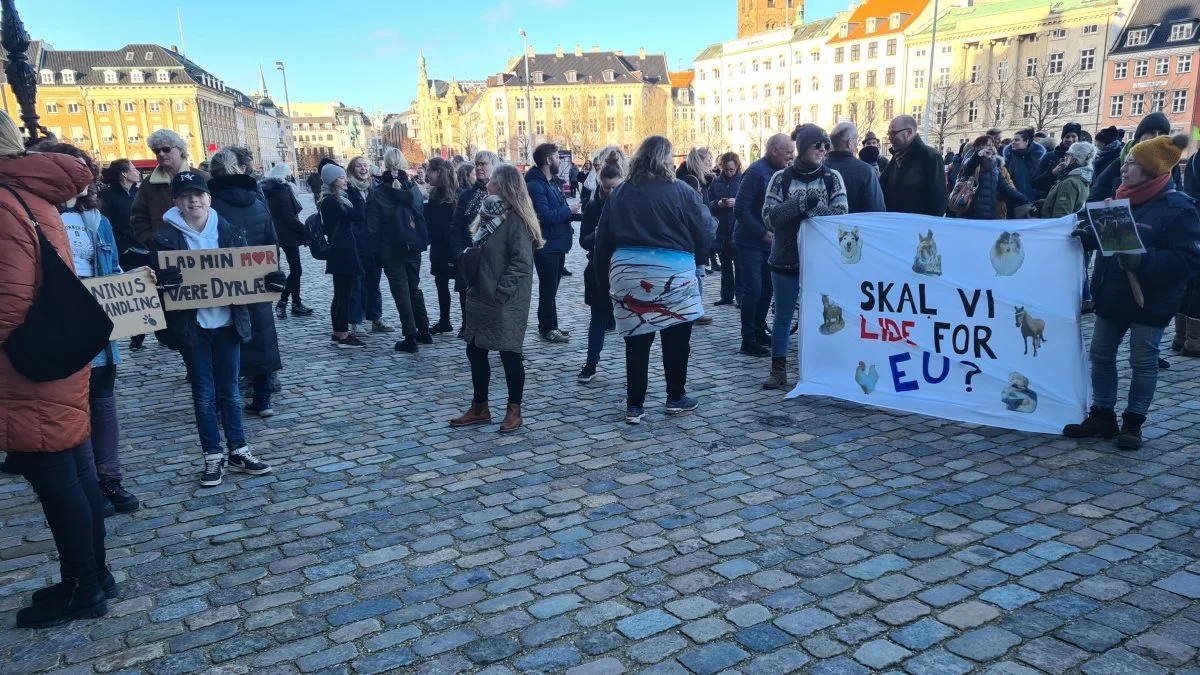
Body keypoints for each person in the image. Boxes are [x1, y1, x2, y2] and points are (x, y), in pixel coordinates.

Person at [0, 116, 113, 629]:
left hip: (26, 362)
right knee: (72, 467)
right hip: (49, 352)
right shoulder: (29, 195)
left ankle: (83, 586)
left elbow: (9, 302)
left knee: (59, 475)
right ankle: (94, 574)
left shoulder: (5, 201)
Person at [1064, 134, 1200, 450]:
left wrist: (1145, 261)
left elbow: (1187, 259)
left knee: (1143, 360)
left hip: (1151, 300)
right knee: (1100, 354)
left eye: (1133, 164)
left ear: (1152, 171)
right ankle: (1103, 414)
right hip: (1113, 292)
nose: (1124, 168)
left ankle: (1133, 423)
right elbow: (1113, 241)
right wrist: (1089, 238)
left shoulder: (1178, 208)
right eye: (1126, 161)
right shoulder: (1120, 198)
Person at [151, 170, 276, 486]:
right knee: (204, 394)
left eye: (199, 194)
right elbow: (153, 286)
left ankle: (239, 449)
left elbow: (252, 273)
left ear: (208, 197)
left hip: (227, 323)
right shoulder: (165, 239)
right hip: (192, 328)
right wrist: (162, 283)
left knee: (230, 390)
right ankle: (212, 456)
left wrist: (273, 279)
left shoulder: (230, 231)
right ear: (177, 202)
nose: (194, 200)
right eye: (186, 196)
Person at [42, 143, 142, 515]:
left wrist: (135, 281)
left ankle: (110, 478)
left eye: (86, 171)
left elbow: (110, 268)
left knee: (103, 401)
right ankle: (87, 483)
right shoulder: (38, 216)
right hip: (60, 323)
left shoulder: (96, 220)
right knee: (74, 403)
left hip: (97, 322)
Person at [595, 136, 713, 424]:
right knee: (676, 339)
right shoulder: (682, 191)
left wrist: (603, 279)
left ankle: (635, 404)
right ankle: (675, 396)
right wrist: (698, 258)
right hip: (672, 270)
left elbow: (603, 239)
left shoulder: (620, 193)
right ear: (667, 158)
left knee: (636, 341)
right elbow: (704, 231)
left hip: (628, 272)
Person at [450, 164, 542, 433]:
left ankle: (514, 409)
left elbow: (522, 264)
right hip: (480, 294)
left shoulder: (517, 222)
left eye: (491, 181)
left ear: (501, 186)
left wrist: (500, 291)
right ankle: (479, 407)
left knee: (509, 353)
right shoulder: (489, 214)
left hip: (505, 299)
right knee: (475, 350)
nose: (486, 183)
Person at [762, 125, 849, 390]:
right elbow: (769, 216)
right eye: (817, 145)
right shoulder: (781, 178)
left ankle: (820, 367)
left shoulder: (833, 178)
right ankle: (778, 369)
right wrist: (799, 204)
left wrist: (815, 209)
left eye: (826, 145)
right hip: (786, 257)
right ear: (803, 147)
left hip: (821, 260)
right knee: (783, 315)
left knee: (822, 314)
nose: (823, 150)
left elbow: (842, 215)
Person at [208, 148, 283, 417]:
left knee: (224, 339)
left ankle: (222, 402)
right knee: (261, 336)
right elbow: (271, 241)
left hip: (222, 282)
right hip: (257, 278)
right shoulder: (256, 200)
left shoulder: (209, 204)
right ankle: (263, 400)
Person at [735, 133, 795, 357]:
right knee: (754, 290)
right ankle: (747, 338)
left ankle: (760, 329)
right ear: (774, 151)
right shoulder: (755, 172)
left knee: (768, 288)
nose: (791, 157)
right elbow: (740, 209)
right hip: (750, 241)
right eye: (788, 152)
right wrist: (762, 233)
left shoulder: (781, 172)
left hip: (770, 242)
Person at [367, 148, 431, 353]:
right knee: (415, 287)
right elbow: (420, 213)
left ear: (385, 165)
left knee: (401, 290)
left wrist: (375, 252)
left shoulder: (378, 193)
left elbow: (373, 228)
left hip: (390, 249)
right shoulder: (413, 189)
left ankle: (410, 336)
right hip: (412, 245)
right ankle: (424, 330)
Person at [578, 153, 626, 384]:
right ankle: (591, 363)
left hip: (624, 269)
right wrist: (598, 234)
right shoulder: (593, 205)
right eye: (606, 188)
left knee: (630, 320)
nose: (609, 192)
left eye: (614, 188)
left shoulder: (630, 205)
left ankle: (635, 369)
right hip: (598, 268)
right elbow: (583, 240)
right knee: (597, 317)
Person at [526, 143, 580, 343]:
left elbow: (561, 209)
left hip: (558, 244)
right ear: (548, 160)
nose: (560, 160)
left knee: (552, 289)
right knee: (548, 289)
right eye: (557, 157)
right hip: (546, 246)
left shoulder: (551, 182)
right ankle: (548, 328)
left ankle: (549, 325)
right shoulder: (535, 185)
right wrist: (569, 211)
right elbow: (544, 216)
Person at [98, 158, 148, 350]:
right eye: (134, 169)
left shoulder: (139, 192)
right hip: (126, 251)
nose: (137, 172)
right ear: (124, 173)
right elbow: (107, 226)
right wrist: (122, 248)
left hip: (145, 246)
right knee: (136, 294)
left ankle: (163, 331)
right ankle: (137, 336)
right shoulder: (107, 196)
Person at [452, 151, 501, 338]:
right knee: (469, 298)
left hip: (495, 257)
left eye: (483, 164)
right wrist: (460, 252)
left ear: (494, 166)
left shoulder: (503, 193)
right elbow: (456, 226)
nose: (479, 168)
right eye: (476, 164)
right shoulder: (467, 196)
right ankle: (472, 332)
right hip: (471, 256)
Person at [131, 129, 206, 247]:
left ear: (180, 149)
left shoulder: (202, 178)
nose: (161, 154)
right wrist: (153, 240)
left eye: (166, 149)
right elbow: (138, 217)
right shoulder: (148, 184)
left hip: (200, 246)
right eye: (156, 151)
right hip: (164, 249)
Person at [320, 163, 367, 348]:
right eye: (341, 178)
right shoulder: (332, 201)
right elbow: (358, 214)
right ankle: (342, 334)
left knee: (340, 294)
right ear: (333, 181)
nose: (345, 180)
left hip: (342, 251)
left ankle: (340, 331)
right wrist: (356, 194)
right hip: (342, 252)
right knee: (343, 295)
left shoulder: (334, 199)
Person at [261, 163, 313, 318]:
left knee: (289, 269)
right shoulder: (282, 191)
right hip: (287, 235)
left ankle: (294, 302)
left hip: (273, 234)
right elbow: (289, 218)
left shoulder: (267, 189)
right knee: (296, 270)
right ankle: (285, 302)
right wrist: (307, 231)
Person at [344, 156, 389, 336]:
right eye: (358, 166)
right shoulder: (348, 188)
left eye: (365, 165)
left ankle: (375, 318)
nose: (363, 169)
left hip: (374, 241)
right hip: (355, 241)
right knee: (356, 283)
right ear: (352, 169)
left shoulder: (374, 187)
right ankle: (355, 321)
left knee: (374, 282)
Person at [1092, 112, 1172, 202]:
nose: (1156, 137)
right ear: (1138, 138)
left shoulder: (1170, 166)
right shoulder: (1119, 164)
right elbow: (1095, 197)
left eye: (1161, 134)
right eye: (1151, 132)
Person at [881, 115, 948, 216]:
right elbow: (883, 188)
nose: (890, 138)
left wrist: (927, 227)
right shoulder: (896, 157)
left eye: (893, 133)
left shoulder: (931, 157)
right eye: (889, 133)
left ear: (909, 132)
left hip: (918, 226)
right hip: (896, 223)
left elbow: (939, 199)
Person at [679, 147, 717, 326]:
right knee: (697, 273)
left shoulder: (697, 180)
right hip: (694, 235)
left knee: (697, 273)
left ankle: (694, 309)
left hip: (697, 234)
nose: (710, 164)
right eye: (707, 161)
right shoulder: (691, 181)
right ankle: (694, 311)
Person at [425, 156, 461, 335]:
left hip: (452, 247)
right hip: (439, 247)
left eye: (429, 170)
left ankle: (467, 323)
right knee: (441, 283)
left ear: (438, 172)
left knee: (462, 285)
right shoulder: (434, 195)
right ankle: (445, 320)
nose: (427, 174)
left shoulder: (454, 195)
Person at [954, 136, 1029, 220]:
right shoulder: (971, 162)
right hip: (970, 214)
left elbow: (1006, 188)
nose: (991, 147)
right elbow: (969, 165)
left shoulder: (995, 168)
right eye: (987, 145)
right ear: (978, 147)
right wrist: (978, 155)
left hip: (990, 215)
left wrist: (1024, 199)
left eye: (992, 145)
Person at [826, 122, 885, 214]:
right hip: (855, 227)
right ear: (849, 143)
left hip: (825, 226)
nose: (856, 144)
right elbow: (877, 210)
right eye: (855, 140)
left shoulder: (819, 168)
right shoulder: (866, 171)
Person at [709, 152, 742, 307]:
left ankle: (741, 297)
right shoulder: (716, 182)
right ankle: (726, 295)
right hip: (722, 229)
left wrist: (737, 202)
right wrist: (719, 204)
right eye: (727, 169)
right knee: (726, 265)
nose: (730, 172)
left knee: (740, 264)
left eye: (732, 169)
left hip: (738, 227)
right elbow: (708, 203)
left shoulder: (743, 180)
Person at [1043, 141, 1097, 218]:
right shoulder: (1083, 178)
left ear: (1073, 160)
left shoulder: (1070, 182)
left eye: (1067, 155)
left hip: (1054, 227)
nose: (1064, 158)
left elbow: (1061, 214)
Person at [1032, 122, 1081, 198]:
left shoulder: (1084, 158)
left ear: (1078, 138)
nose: (1070, 140)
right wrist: (1052, 173)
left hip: (1075, 202)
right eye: (1067, 136)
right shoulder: (1049, 156)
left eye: (1074, 136)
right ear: (1062, 138)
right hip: (1049, 201)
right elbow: (1035, 183)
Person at [1003, 129, 1046, 205]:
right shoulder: (1008, 158)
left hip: (1034, 201)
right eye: (1013, 140)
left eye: (1017, 140)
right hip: (1013, 202)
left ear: (1026, 142)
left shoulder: (1038, 158)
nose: (1013, 142)